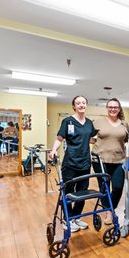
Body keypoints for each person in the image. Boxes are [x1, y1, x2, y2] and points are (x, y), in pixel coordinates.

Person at [49, 95, 97, 233]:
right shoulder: (67, 121)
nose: (81, 105)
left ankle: (76, 217)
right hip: (70, 163)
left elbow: (91, 140)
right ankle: (68, 219)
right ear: (74, 106)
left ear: (86, 105)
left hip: (85, 163)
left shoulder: (89, 123)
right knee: (68, 192)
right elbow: (60, 138)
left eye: (83, 102)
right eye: (78, 103)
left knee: (82, 192)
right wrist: (53, 150)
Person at [92, 98, 128, 225]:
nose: (113, 109)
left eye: (115, 107)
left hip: (119, 160)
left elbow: (127, 140)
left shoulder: (124, 123)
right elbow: (89, 137)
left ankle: (111, 207)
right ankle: (109, 212)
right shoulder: (98, 122)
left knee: (118, 187)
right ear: (107, 108)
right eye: (110, 107)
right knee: (104, 186)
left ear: (119, 109)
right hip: (100, 160)